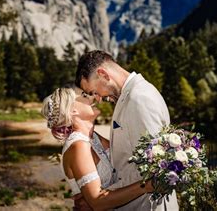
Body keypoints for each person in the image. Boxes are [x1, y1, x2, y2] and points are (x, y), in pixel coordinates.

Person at [75, 50, 179, 210]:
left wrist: (100, 200)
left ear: (103, 74)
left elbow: (154, 172)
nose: (97, 98)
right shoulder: (131, 96)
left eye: (94, 92)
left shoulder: (139, 99)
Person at [41, 85, 154, 211]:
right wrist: (148, 186)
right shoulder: (78, 146)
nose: (93, 97)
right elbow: (98, 202)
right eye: (84, 96)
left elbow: (126, 159)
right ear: (72, 110)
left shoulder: (93, 138)